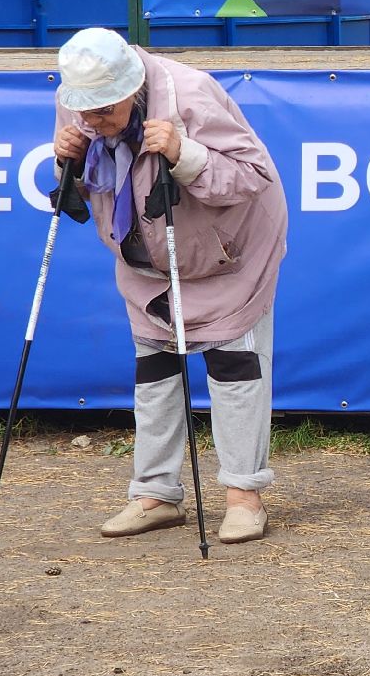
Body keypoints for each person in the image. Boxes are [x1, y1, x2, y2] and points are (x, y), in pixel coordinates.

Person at [51, 28, 288, 544]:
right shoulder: (77, 100)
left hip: (229, 255)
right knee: (155, 373)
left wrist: (185, 155)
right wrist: (65, 156)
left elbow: (252, 174)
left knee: (236, 370)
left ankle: (244, 496)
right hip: (147, 259)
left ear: (130, 91)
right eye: (81, 112)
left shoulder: (192, 93)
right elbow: (92, 176)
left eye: (100, 113)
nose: (88, 121)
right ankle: (154, 495)